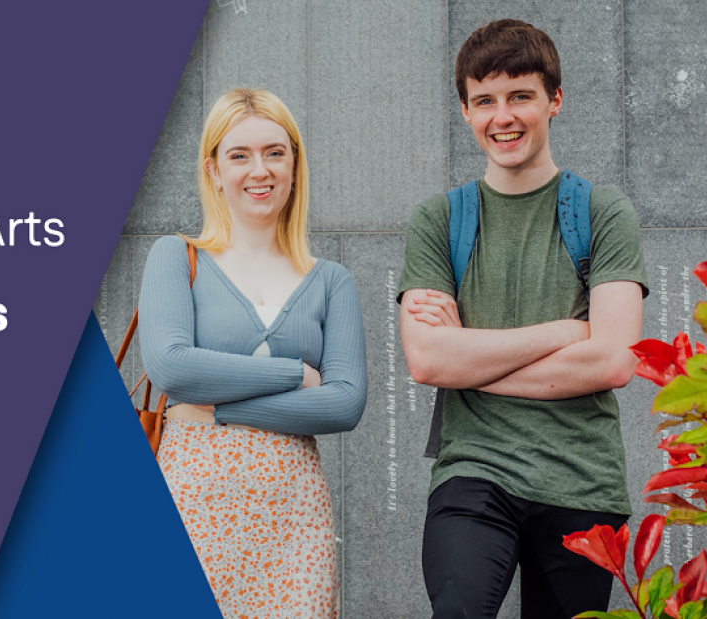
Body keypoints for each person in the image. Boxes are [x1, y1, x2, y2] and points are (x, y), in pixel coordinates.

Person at [397, 20, 647, 619]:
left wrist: (469, 357)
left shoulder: (600, 211)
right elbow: (429, 359)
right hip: (473, 473)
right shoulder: (441, 220)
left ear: (554, 100)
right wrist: (565, 332)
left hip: (581, 479)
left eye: (520, 96)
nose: (501, 116)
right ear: (465, 110)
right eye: (484, 100)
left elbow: (613, 361)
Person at [137, 87, 367, 618]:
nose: (258, 170)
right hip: (192, 502)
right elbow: (173, 367)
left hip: (294, 517)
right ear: (214, 170)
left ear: (294, 165)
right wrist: (294, 373)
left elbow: (343, 404)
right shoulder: (177, 257)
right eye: (239, 155)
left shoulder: (332, 280)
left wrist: (217, 409)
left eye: (274, 152)